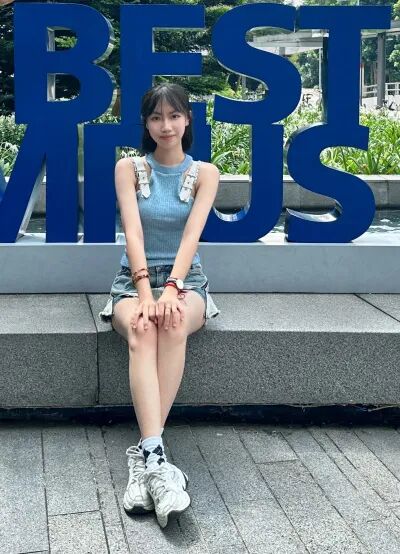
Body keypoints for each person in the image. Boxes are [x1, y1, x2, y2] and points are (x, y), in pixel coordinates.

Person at [98, 83, 221, 528]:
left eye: (174, 116)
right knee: (143, 327)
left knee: (171, 323)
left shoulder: (205, 173)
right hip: (133, 281)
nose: (165, 125)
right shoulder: (129, 168)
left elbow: (191, 236)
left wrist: (172, 288)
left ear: (187, 120)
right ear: (146, 124)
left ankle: (146, 459)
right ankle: (158, 465)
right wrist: (146, 292)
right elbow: (132, 232)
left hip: (187, 281)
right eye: (156, 117)